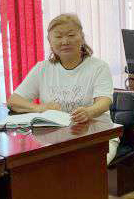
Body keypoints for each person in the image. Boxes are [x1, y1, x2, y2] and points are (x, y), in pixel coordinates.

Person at [8, 13, 118, 164]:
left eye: (71, 35)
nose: (65, 41)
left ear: (82, 37)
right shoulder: (43, 68)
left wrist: (88, 112)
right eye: (58, 37)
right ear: (50, 41)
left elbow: (104, 101)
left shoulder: (98, 67)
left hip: (96, 137)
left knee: (81, 168)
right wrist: (41, 108)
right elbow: (14, 101)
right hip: (54, 138)